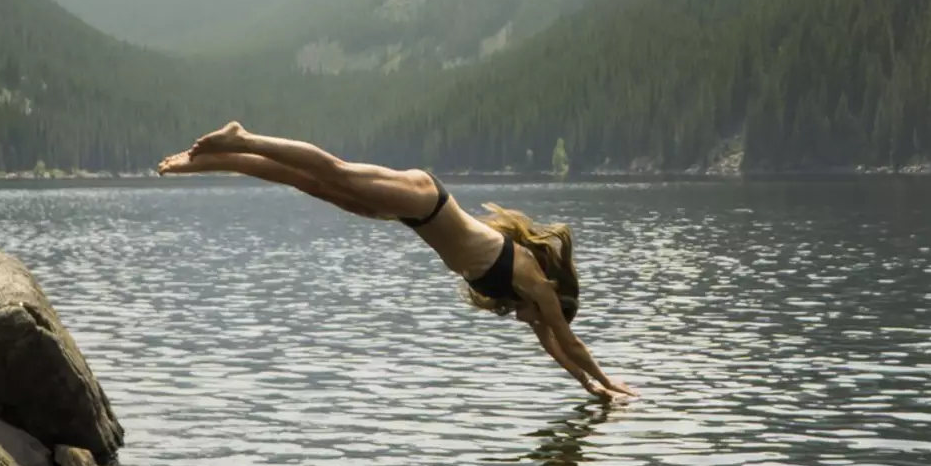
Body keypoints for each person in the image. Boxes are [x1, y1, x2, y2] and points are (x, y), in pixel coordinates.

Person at [158, 124, 637, 400]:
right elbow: (569, 342)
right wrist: (608, 380)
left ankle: (208, 162)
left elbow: (555, 350)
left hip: (413, 216)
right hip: (425, 199)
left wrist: (589, 389)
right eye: (544, 320)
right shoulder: (538, 285)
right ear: (556, 299)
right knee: (335, 171)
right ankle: (242, 137)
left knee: (312, 185)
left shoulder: (523, 297)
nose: (537, 325)